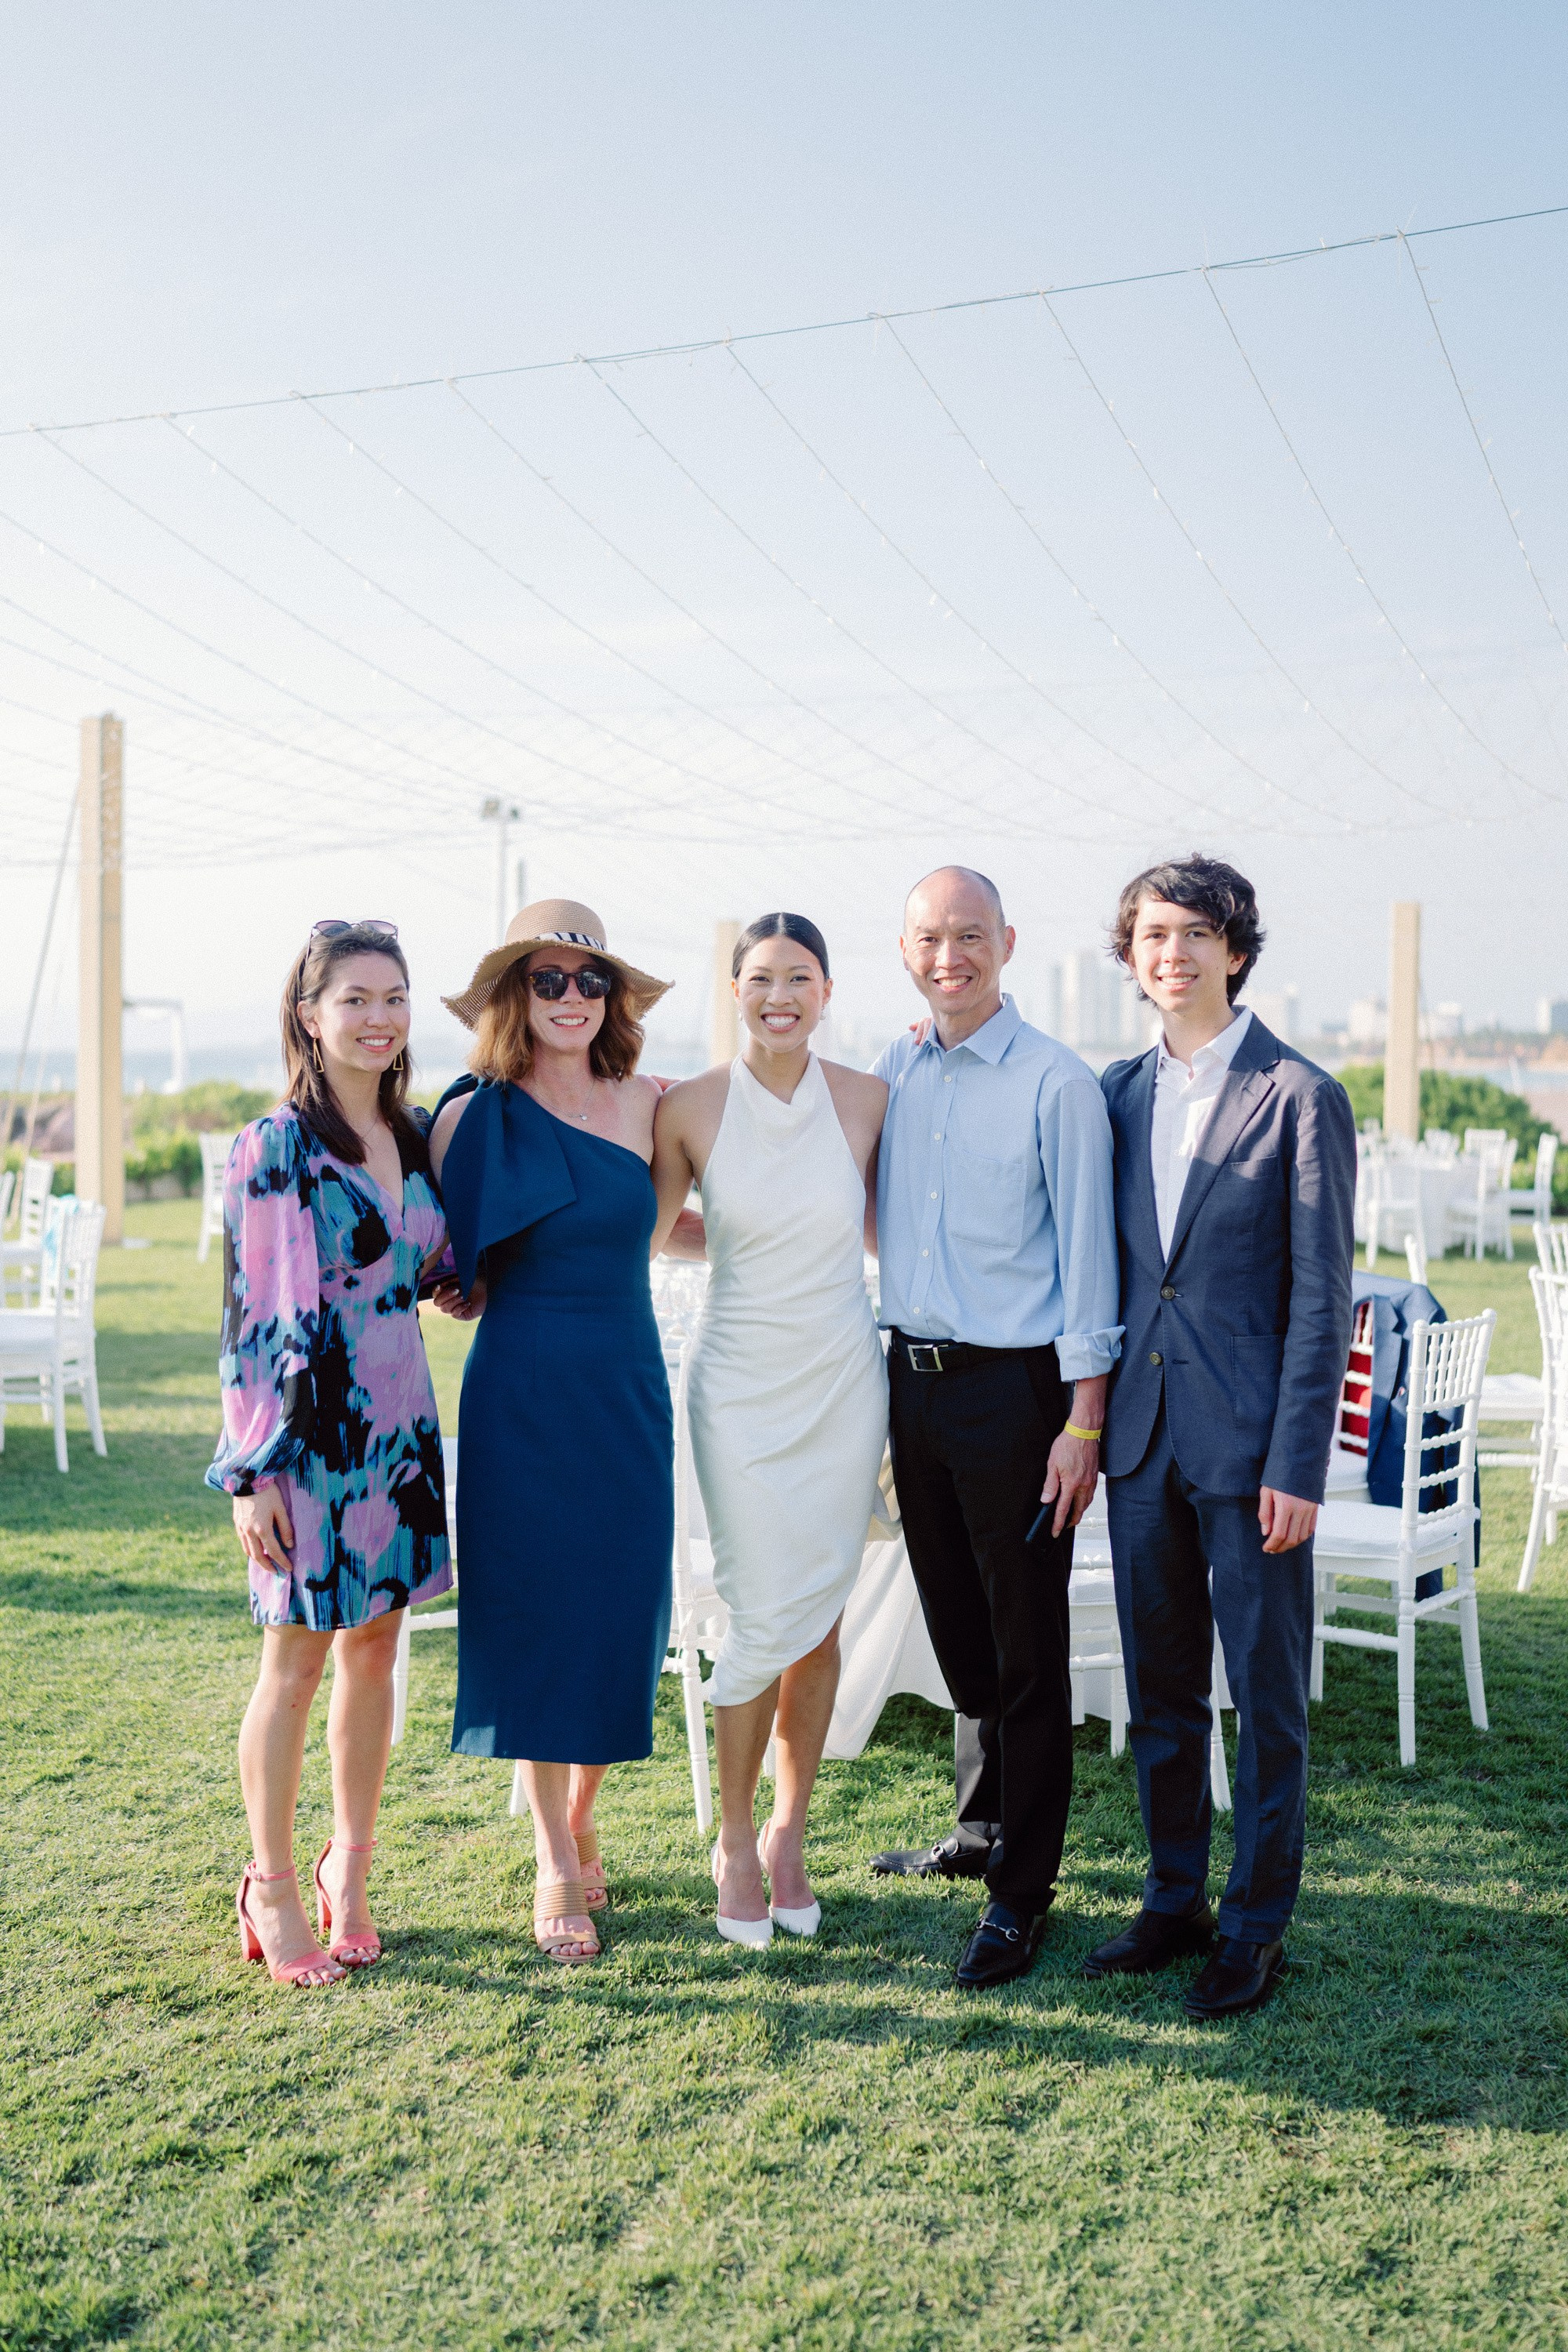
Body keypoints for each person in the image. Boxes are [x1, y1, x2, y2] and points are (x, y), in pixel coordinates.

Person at [1088, 855, 1355, 2018]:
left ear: (1236, 951)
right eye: (1154, 934)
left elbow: (1322, 1298)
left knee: (1266, 1694)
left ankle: (1255, 1924)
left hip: (1255, 1460)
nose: (1175, 953)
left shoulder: (1301, 1095)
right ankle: (1174, 1897)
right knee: (1159, 1692)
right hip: (1141, 1441)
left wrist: (1300, 1463)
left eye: (1197, 933)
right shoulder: (1113, 1094)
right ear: (1132, 954)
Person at [869, 867, 1122, 1988]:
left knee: (1025, 1651)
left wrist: (1084, 1424)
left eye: (970, 936)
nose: (949, 956)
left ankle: (1023, 1895)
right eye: (930, 937)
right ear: (906, 947)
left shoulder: (1056, 1084)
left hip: (1017, 1394)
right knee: (957, 1623)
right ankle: (978, 1832)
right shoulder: (890, 1070)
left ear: (1008, 942)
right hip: (909, 1385)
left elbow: (1091, 1265)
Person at [430, 899, 674, 1966]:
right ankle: (549, 1861)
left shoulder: (654, 1105)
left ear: (611, 997)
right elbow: (441, 1260)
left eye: (589, 980)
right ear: (511, 997)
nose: (570, 998)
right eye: (548, 979)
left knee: (621, 1613)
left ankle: (581, 1817)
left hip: (626, 1384)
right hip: (519, 1394)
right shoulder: (468, 1116)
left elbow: (682, 1227)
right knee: (533, 1618)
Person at [210, 919, 452, 1988]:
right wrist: (251, 1473)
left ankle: (347, 1867)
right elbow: (255, 1319)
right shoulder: (275, 1147)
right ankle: (268, 1883)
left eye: (393, 997)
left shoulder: (415, 1134)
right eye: (355, 998)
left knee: (375, 1653)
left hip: (401, 1432)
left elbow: (435, 1266)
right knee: (296, 1661)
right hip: (308, 1442)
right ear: (310, 1014)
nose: (379, 1017)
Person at [652, 913, 887, 1947]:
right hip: (738, 1388)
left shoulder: (870, 1101)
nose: (779, 993)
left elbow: (894, 1230)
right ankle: (736, 1840)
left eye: (799, 977)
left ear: (827, 991)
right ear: (733, 988)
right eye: (759, 977)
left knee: (823, 1618)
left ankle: (793, 1831)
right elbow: (654, 1231)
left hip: (843, 1383)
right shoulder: (690, 1106)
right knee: (757, 1616)